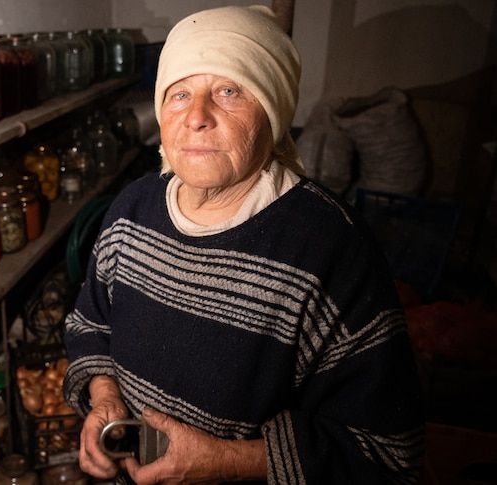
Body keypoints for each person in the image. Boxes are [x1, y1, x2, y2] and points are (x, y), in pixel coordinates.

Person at [62, 5, 425, 484]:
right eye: (179, 94)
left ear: (272, 112)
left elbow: (387, 450)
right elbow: (90, 322)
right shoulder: (131, 210)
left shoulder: (330, 250)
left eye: (228, 91)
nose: (196, 117)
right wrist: (104, 396)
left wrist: (225, 463)